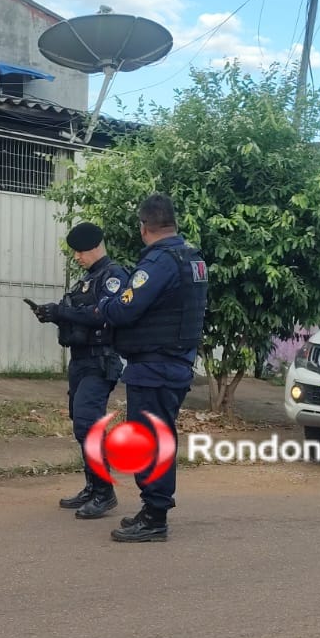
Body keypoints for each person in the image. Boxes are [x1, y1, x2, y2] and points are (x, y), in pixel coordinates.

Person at [75, 193, 207, 542]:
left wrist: (104, 301)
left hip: (156, 368)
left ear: (143, 227)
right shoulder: (191, 258)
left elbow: (123, 309)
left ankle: (155, 517)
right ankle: (152, 510)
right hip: (170, 365)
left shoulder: (161, 262)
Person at [34, 222, 127, 518]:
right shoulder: (86, 280)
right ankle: (93, 485)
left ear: (94, 247)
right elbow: (76, 315)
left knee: (89, 424)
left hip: (101, 361)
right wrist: (52, 314)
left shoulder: (114, 276)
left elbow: (105, 314)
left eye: (80, 251)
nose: (76, 257)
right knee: (81, 425)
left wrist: (62, 312)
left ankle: (104, 492)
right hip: (80, 360)